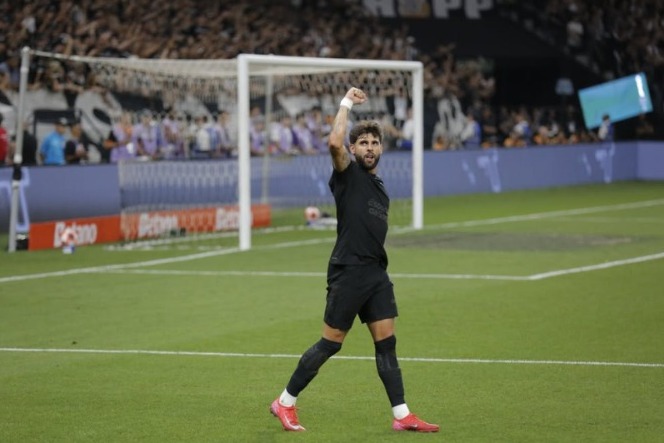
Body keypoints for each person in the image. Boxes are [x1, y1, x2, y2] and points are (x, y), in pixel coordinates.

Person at [270, 87, 439, 433]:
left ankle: (402, 414)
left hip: (376, 273)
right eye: (363, 143)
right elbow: (333, 143)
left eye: (375, 143)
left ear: (381, 148)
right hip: (348, 271)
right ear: (353, 148)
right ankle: (284, 402)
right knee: (331, 342)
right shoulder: (347, 174)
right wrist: (346, 103)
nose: (370, 147)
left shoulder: (380, 188)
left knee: (387, 343)